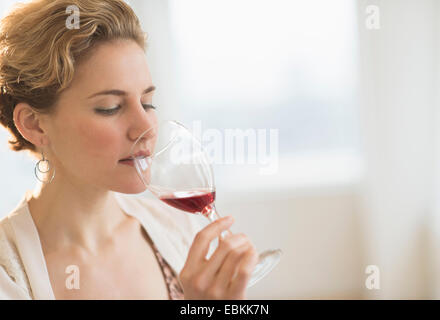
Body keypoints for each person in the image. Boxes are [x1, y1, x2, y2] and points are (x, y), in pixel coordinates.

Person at [0, 0, 258, 300]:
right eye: (110, 108)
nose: (145, 127)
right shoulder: (9, 276)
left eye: (147, 103)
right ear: (34, 124)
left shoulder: (176, 227)